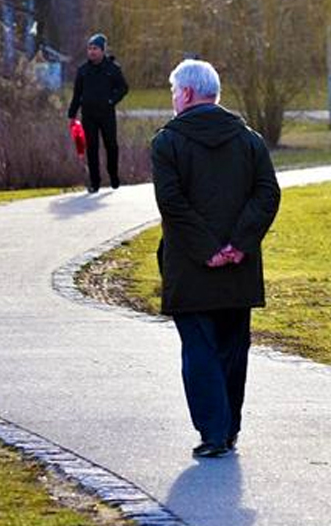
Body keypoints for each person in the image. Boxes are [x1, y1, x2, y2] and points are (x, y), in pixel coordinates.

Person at [151, 59, 281, 458]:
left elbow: (171, 203)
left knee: (199, 350)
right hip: (239, 270)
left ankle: (213, 431)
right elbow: (267, 194)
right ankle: (229, 428)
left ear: (187, 93)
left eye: (175, 91)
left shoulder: (167, 143)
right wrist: (238, 245)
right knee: (232, 348)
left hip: (190, 268)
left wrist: (208, 249)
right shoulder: (249, 140)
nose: (173, 99)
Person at [68, 33, 129, 193]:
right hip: (88, 115)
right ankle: (95, 182)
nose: (92, 52)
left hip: (107, 114)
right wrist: (72, 115)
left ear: (102, 50)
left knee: (111, 146)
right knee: (92, 148)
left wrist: (111, 100)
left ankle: (113, 175)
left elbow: (123, 88)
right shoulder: (83, 71)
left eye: (95, 49)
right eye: (90, 49)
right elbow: (77, 94)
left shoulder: (112, 68)